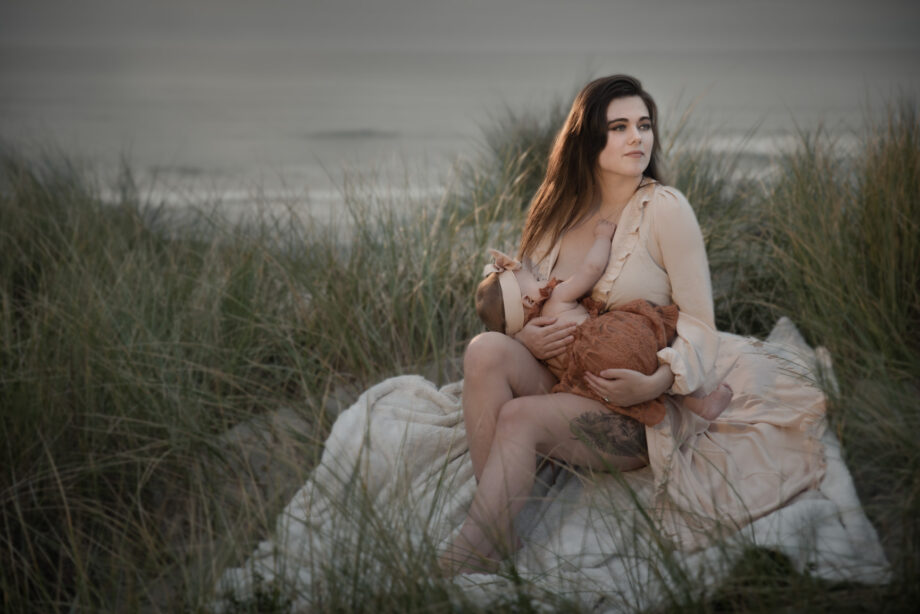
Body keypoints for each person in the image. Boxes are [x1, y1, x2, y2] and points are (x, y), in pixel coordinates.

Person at [439, 75, 826, 574]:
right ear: (587, 139)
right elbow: (523, 297)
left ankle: (464, 558)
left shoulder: (665, 210)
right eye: (618, 127)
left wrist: (658, 380)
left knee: (519, 418)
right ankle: (497, 526)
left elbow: (701, 325)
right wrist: (521, 335)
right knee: (483, 350)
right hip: (566, 376)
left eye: (643, 125)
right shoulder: (552, 209)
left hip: (636, 408)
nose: (636, 138)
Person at [474, 231, 731, 427]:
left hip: (591, 382)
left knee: (636, 369)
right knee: (660, 338)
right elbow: (591, 269)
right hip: (612, 340)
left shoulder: (535, 341)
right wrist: (603, 237)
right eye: (530, 277)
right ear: (528, 300)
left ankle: (677, 397)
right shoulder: (557, 298)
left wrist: (519, 338)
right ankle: (699, 398)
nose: (537, 275)